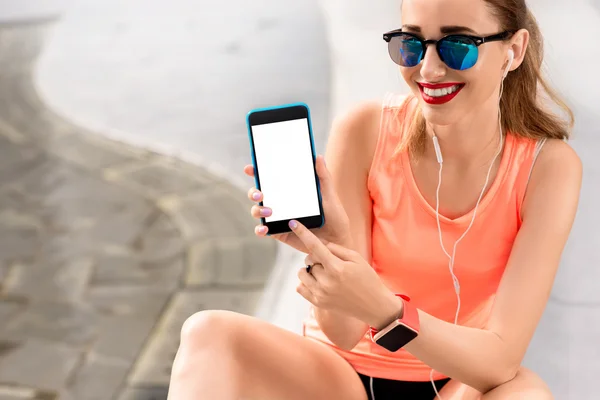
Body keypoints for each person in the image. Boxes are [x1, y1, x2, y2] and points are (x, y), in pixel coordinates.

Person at [167, 0, 582, 398]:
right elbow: (343, 331)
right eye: (411, 44)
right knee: (206, 332)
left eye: (458, 46)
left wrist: (388, 311)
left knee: (526, 393)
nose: (429, 68)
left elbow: (498, 362)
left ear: (514, 50)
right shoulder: (365, 130)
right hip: (337, 377)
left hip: (459, 379)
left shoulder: (548, 168)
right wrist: (334, 245)